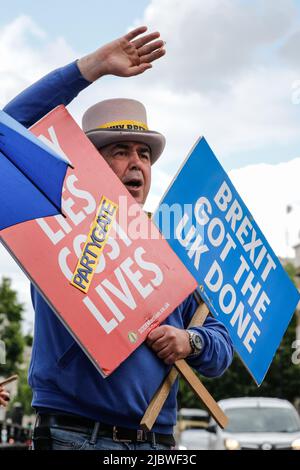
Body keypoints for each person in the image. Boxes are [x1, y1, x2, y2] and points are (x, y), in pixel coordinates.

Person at [4, 26, 234, 451]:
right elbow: (5, 132)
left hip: (156, 443)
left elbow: (222, 344)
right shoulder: (55, 218)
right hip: (72, 436)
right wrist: (88, 69)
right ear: (90, 162)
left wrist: (191, 340)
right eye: (121, 151)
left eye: (144, 154)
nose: (136, 164)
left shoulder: (170, 248)